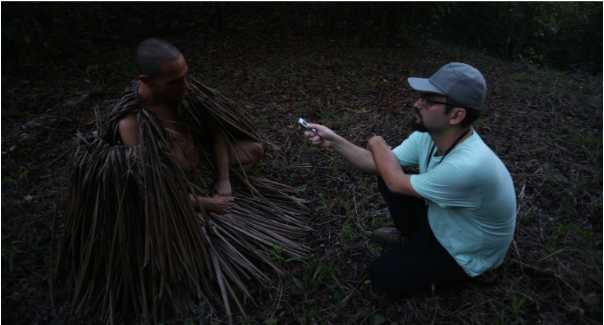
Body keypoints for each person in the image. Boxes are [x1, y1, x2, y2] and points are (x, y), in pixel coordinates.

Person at [57, 38, 309, 324]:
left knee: (254, 149)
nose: (186, 85)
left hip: (204, 169)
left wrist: (224, 179)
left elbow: (217, 129)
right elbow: (151, 192)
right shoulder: (132, 124)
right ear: (147, 81)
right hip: (174, 191)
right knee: (194, 236)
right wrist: (209, 205)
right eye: (175, 81)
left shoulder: (186, 94)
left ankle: (226, 188)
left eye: (186, 75)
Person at [302, 62, 516, 298]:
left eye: (429, 100)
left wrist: (376, 142)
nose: (417, 103)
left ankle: (438, 258)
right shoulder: (431, 134)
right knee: (387, 174)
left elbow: (394, 179)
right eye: (420, 96)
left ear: (456, 115)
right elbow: (381, 167)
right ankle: (412, 235)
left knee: (381, 276)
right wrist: (334, 141)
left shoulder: (468, 166)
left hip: (465, 249)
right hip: (446, 219)